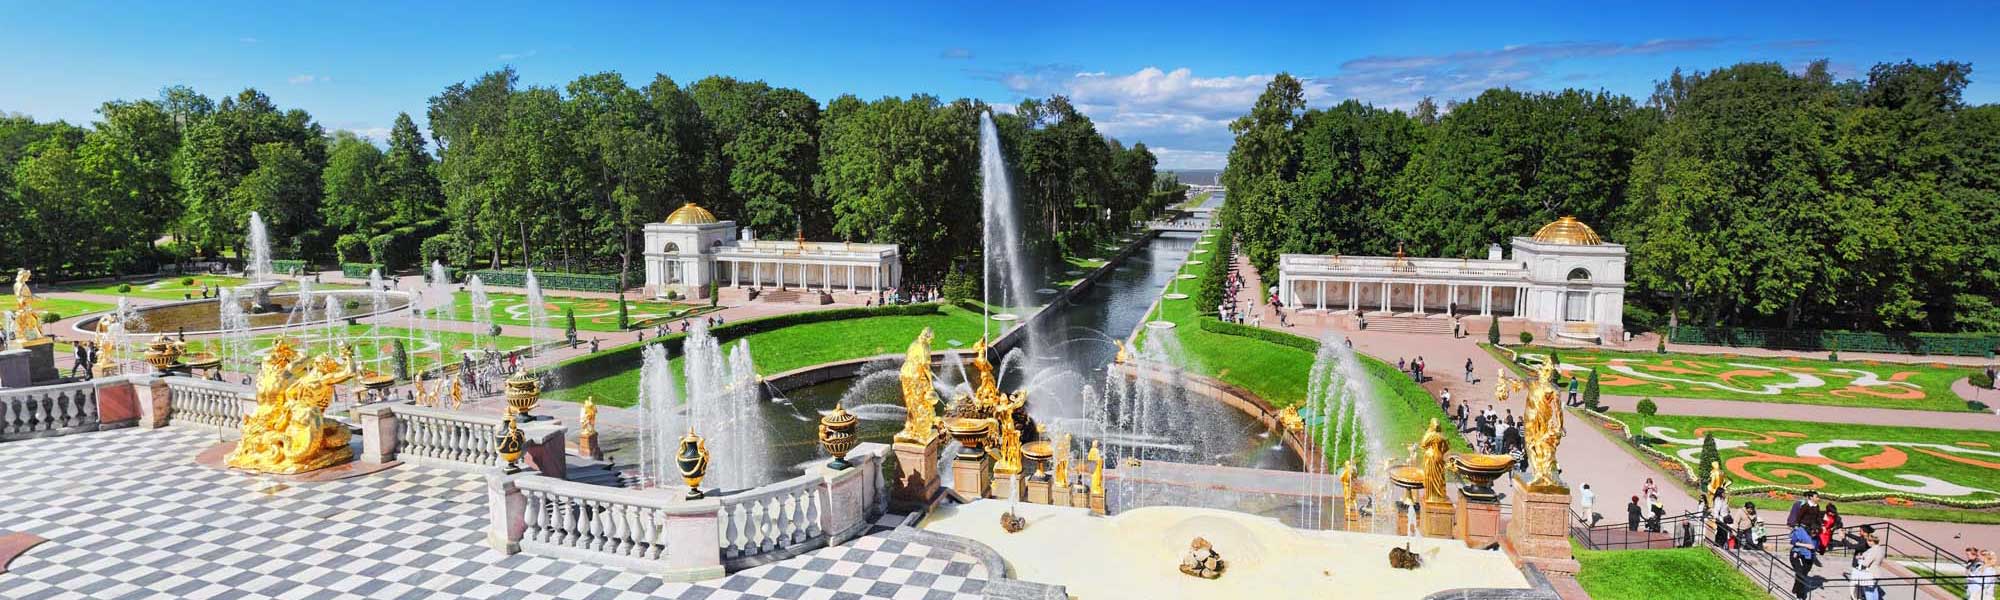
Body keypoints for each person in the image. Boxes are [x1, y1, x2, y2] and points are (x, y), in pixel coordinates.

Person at [1848, 527, 1884, 600]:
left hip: (1871, 574)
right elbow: (1867, 554)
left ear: (1871, 541)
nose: (1867, 543)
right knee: (1874, 591)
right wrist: (1862, 556)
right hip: (1877, 573)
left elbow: (1865, 563)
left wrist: (1859, 560)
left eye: (1868, 541)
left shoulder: (1873, 550)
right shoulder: (1880, 549)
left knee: (1869, 593)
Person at [1790, 523, 1822, 599]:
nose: (1814, 534)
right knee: (1800, 573)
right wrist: (1804, 546)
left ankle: (1796, 588)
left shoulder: (1816, 538)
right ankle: (1800, 595)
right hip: (1796, 554)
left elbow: (1815, 548)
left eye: (1816, 533)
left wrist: (1815, 552)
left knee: (1803, 574)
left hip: (1808, 556)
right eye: (1813, 532)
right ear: (1810, 530)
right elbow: (1793, 542)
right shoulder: (1801, 533)